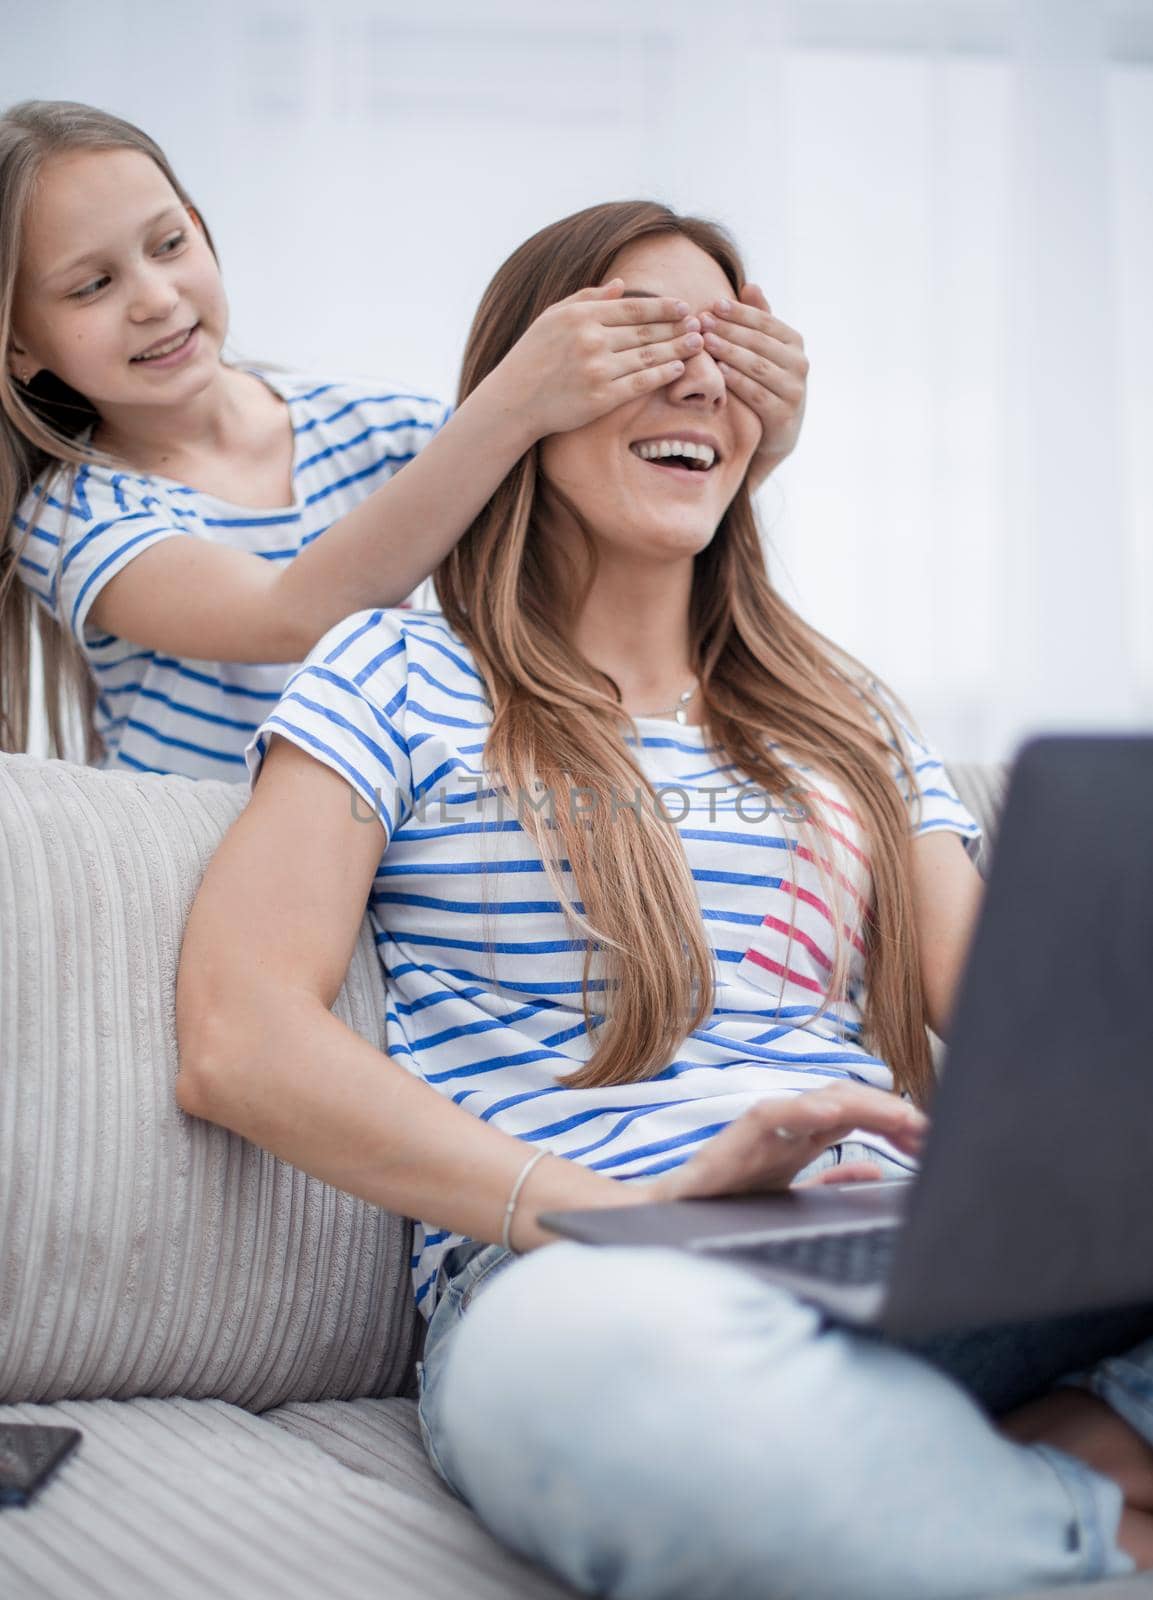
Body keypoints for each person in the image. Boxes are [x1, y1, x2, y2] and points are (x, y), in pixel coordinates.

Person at [172, 200, 1153, 1597]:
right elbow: (236, 1032)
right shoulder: (392, 676)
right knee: (603, 1381)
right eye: (643, 336)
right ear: (530, 387)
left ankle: (956, 1484)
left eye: (730, 347)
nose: (700, 375)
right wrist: (606, 1218)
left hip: (914, 1247)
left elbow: (1023, 1020)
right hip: (598, 1281)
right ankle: (1084, 1506)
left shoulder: (847, 714)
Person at [0, 100, 807, 779]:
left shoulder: (376, 428)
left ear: (200, 229)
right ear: (18, 346)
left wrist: (754, 449)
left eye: (169, 244)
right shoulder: (74, 516)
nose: (154, 297)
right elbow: (294, 616)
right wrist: (515, 398)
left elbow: (578, 535)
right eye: (91, 286)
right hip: (194, 871)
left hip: (374, 841)